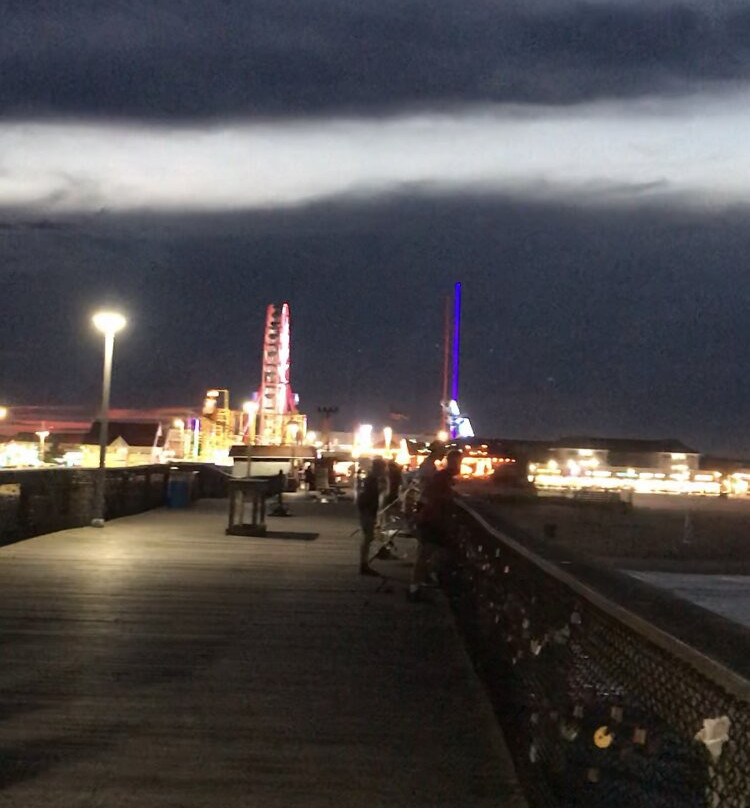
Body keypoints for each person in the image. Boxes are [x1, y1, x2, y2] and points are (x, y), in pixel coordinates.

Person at [408, 449, 462, 602]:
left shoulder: (442, 477)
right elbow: (432, 497)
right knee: (426, 554)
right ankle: (415, 588)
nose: (459, 465)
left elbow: (426, 496)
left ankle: (418, 585)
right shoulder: (442, 478)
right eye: (458, 462)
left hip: (430, 520)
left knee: (427, 554)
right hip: (432, 521)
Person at [356, 457, 387, 576]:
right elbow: (368, 497)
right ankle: (363, 564)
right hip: (368, 511)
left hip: (367, 510)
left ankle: (364, 563)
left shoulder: (371, 479)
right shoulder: (372, 480)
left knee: (368, 537)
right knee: (368, 537)